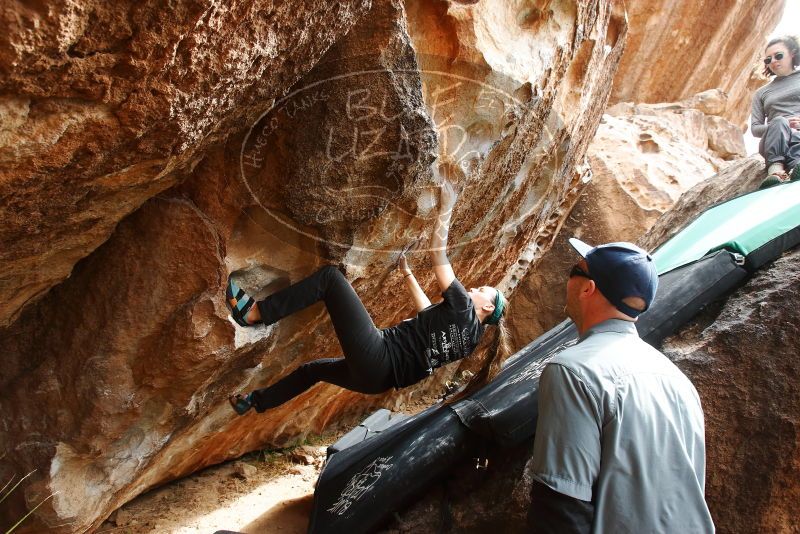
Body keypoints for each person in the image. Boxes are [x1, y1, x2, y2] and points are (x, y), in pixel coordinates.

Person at [225, 181, 510, 415]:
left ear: (487, 306)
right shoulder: (470, 340)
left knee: (330, 279)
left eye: (483, 290)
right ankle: (255, 401)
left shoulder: (464, 307)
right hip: (376, 380)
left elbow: (439, 253)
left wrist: (446, 207)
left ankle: (254, 314)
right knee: (312, 371)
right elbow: (428, 316)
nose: (474, 289)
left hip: (379, 356)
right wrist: (407, 274)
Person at [527, 239, 714, 534]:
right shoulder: (678, 381)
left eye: (574, 270)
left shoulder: (574, 370)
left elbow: (561, 507)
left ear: (588, 288)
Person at [750, 35, 800, 188]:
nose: (773, 61)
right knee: (778, 121)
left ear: (792, 54)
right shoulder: (761, 93)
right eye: (768, 59)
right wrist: (782, 125)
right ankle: (775, 171)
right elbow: (755, 129)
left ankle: (795, 169)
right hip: (775, 140)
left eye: (778, 56)